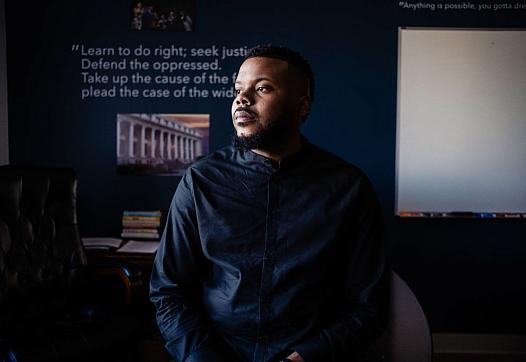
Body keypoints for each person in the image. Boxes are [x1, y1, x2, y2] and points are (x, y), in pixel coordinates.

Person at [150, 45, 389, 362]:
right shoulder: (199, 182)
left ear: (301, 106)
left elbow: (368, 305)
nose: (241, 99)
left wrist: (305, 358)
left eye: (262, 88)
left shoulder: (350, 189)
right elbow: (169, 291)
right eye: (238, 90)